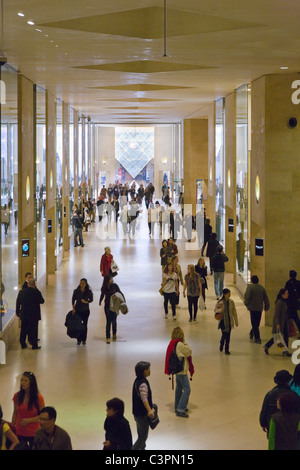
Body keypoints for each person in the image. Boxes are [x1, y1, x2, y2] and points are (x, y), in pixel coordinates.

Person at [259, 370, 300, 436]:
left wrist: (263, 423)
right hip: (290, 428)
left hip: (273, 425)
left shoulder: (270, 394)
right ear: (288, 381)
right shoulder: (293, 395)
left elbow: (264, 410)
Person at [164, 327, 194, 418]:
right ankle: (181, 409)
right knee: (187, 389)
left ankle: (177, 406)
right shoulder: (180, 344)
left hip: (176, 370)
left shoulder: (172, 343)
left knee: (179, 388)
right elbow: (189, 351)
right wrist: (185, 343)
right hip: (181, 371)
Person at [12, 371, 45, 449]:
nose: (23, 383)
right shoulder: (17, 396)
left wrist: (29, 420)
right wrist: (12, 426)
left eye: (25, 381)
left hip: (34, 433)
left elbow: (43, 415)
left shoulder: (38, 397)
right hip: (20, 431)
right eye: (22, 380)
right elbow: (15, 413)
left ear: (31, 383)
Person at [132, 361, 155, 450]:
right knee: (143, 437)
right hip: (142, 414)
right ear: (143, 371)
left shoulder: (137, 380)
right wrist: (149, 410)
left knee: (140, 433)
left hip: (137, 412)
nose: (150, 370)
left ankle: (142, 448)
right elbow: (144, 398)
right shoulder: (143, 383)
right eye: (148, 369)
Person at [264, 288, 291, 357]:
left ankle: (285, 351)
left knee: (285, 337)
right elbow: (276, 314)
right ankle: (267, 346)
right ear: (282, 294)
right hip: (280, 323)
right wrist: (277, 324)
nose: (288, 294)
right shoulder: (279, 302)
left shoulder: (285, 301)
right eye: (286, 293)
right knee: (276, 337)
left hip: (285, 322)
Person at [18, 279, 44, 350]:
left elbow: (18, 302)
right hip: (34, 315)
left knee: (23, 329)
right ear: (34, 285)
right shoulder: (36, 292)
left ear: (28, 284)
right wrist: (36, 288)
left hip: (24, 314)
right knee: (34, 330)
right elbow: (42, 301)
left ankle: (23, 343)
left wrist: (17, 312)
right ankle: (34, 345)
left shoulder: (22, 292)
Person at [244, 275, 270, 344]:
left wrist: (246, 304)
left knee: (254, 323)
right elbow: (266, 298)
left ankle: (256, 337)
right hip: (259, 308)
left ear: (252, 280)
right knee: (257, 323)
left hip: (252, 308)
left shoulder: (250, 288)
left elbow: (247, 297)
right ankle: (255, 335)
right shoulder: (262, 288)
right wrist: (267, 306)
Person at [99, 275, 125, 344]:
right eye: (111, 279)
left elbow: (120, 292)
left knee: (114, 320)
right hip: (107, 306)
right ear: (107, 280)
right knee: (108, 321)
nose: (112, 280)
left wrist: (124, 301)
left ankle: (114, 333)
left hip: (114, 306)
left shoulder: (115, 286)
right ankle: (108, 336)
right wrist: (100, 301)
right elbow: (102, 294)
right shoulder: (104, 287)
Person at [215, 288, 238, 355]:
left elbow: (234, 312)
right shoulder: (220, 302)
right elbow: (215, 310)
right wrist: (220, 310)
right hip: (222, 322)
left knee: (228, 336)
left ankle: (227, 349)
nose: (230, 294)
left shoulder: (231, 302)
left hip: (229, 321)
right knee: (224, 335)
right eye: (228, 293)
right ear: (225, 294)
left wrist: (236, 321)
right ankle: (222, 343)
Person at [71, 278, 94, 345]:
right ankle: (78, 340)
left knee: (84, 325)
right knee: (78, 325)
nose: (82, 284)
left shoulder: (88, 291)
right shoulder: (76, 291)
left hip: (85, 310)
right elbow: (73, 300)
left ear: (86, 284)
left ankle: (84, 339)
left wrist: (86, 301)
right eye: (81, 283)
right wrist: (73, 309)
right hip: (78, 310)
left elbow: (91, 300)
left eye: (83, 283)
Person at [284, 270, 300, 337]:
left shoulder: (288, 283)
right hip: (295, 303)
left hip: (289, 303)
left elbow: (285, 292)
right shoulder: (298, 283)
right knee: (296, 319)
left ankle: (285, 332)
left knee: (286, 319)